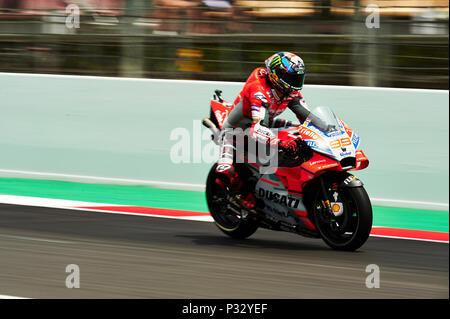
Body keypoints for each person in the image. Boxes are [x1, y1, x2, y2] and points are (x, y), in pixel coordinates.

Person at [215, 52, 314, 207]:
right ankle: (239, 193)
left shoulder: (289, 91)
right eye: (291, 78)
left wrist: (328, 129)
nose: (295, 83)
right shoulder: (258, 89)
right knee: (224, 172)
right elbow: (258, 128)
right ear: (277, 75)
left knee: (297, 129)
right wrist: (280, 143)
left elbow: (308, 117)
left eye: (298, 78)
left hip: (267, 122)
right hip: (236, 131)